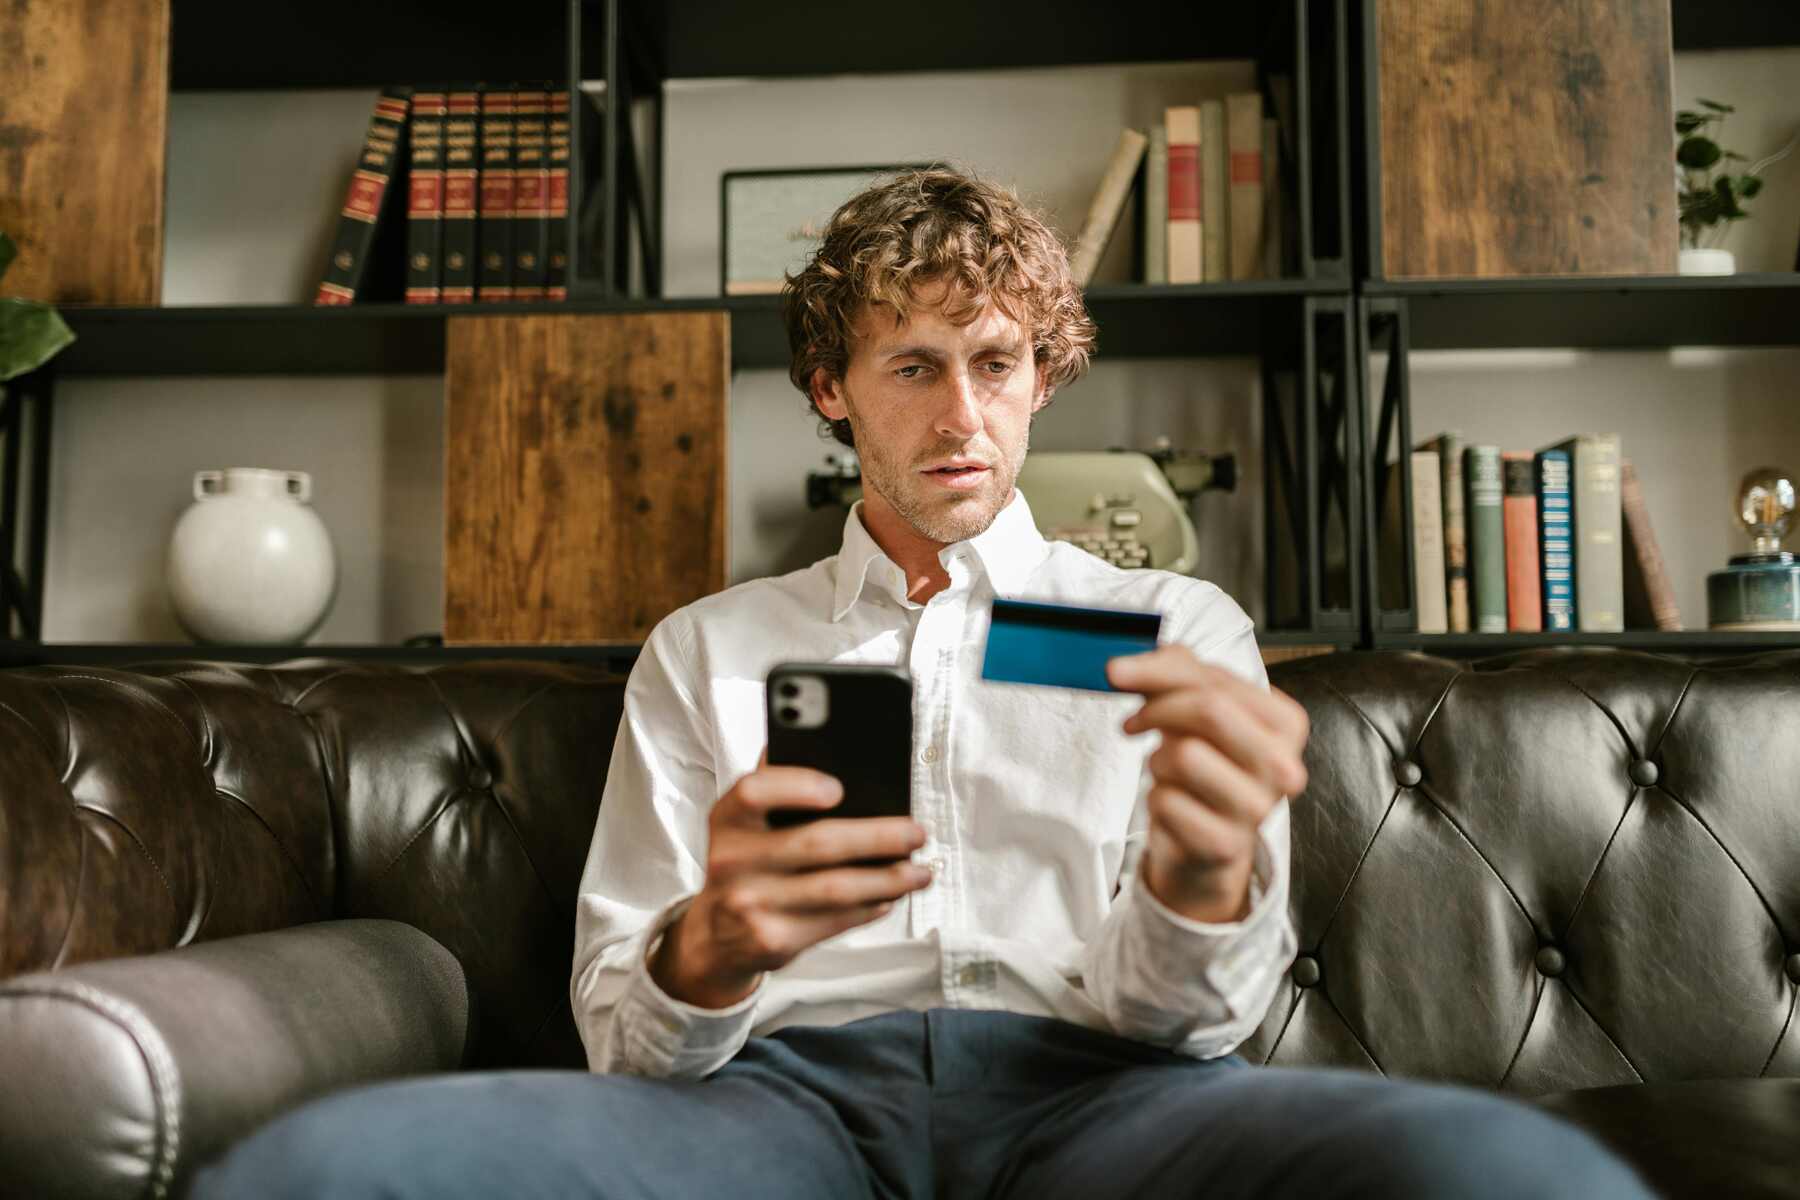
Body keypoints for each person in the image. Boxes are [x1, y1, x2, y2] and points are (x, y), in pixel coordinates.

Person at [194, 165, 1650, 1199]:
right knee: (334, 1169)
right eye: (912, 365)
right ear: (832, 386)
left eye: (999, 363)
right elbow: (624, 1050)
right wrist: (715, 946)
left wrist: (1204, 880)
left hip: (1110, 1095)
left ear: (1043, 375)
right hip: (784, 1108)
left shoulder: (1173, 623)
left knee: (1510, 1169)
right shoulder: (710, 651)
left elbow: (1192, 1026)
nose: (963, 415)